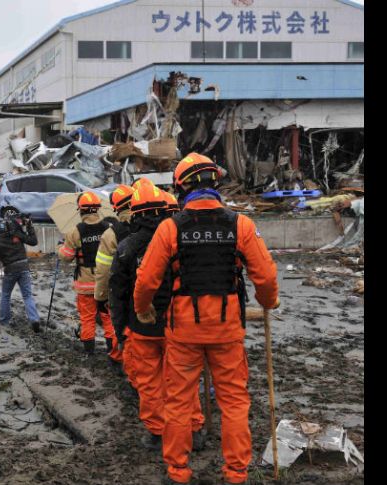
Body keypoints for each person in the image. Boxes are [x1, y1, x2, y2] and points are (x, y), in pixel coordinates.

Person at [133, 153, 279, 485]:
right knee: (234, 401)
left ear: (181, 188)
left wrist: (143, 309)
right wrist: (268, 302)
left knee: (179, 403)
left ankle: (178, 471)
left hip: (183, 332)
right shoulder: (240, 224)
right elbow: (266, 278)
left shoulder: (171, 228)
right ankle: (236, 472)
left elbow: (146, 282)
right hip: (227, 331)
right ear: (215, 183)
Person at [109, 179, 206, 451]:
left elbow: (117, 292)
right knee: (184, 380)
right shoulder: (179, 240)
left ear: (135, 212)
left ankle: (157, 432)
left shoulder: (127, 246)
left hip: (141, 329)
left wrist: (119, 332)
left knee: (149, 383)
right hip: (179, 325)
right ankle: (195, 430)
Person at [58, 191, 118, 359]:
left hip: (85, 283)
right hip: (105, 282)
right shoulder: (109, 228)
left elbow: (67, 257)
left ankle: (89, 352)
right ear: (98, 209)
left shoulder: (75, 232)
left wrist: (60, 249)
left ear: (81, 210)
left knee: (87, 318)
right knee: (108, 317)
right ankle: (112, 352)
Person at [93, 184, 134, 363]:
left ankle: (118, 358)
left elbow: (103, 270)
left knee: (120, 324)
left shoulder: (111, 234)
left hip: (121, 290)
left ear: (116, 207)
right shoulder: (157, 225)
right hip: (152, 290)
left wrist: (100, 297)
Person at [0, 210, 41, 332]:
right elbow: (33, 241)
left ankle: (4, 321)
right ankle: (34, 319)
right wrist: (29, 226)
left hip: (10, 269)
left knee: (6, 295)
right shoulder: (16, 234)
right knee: (27, 296)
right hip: (24, 266)